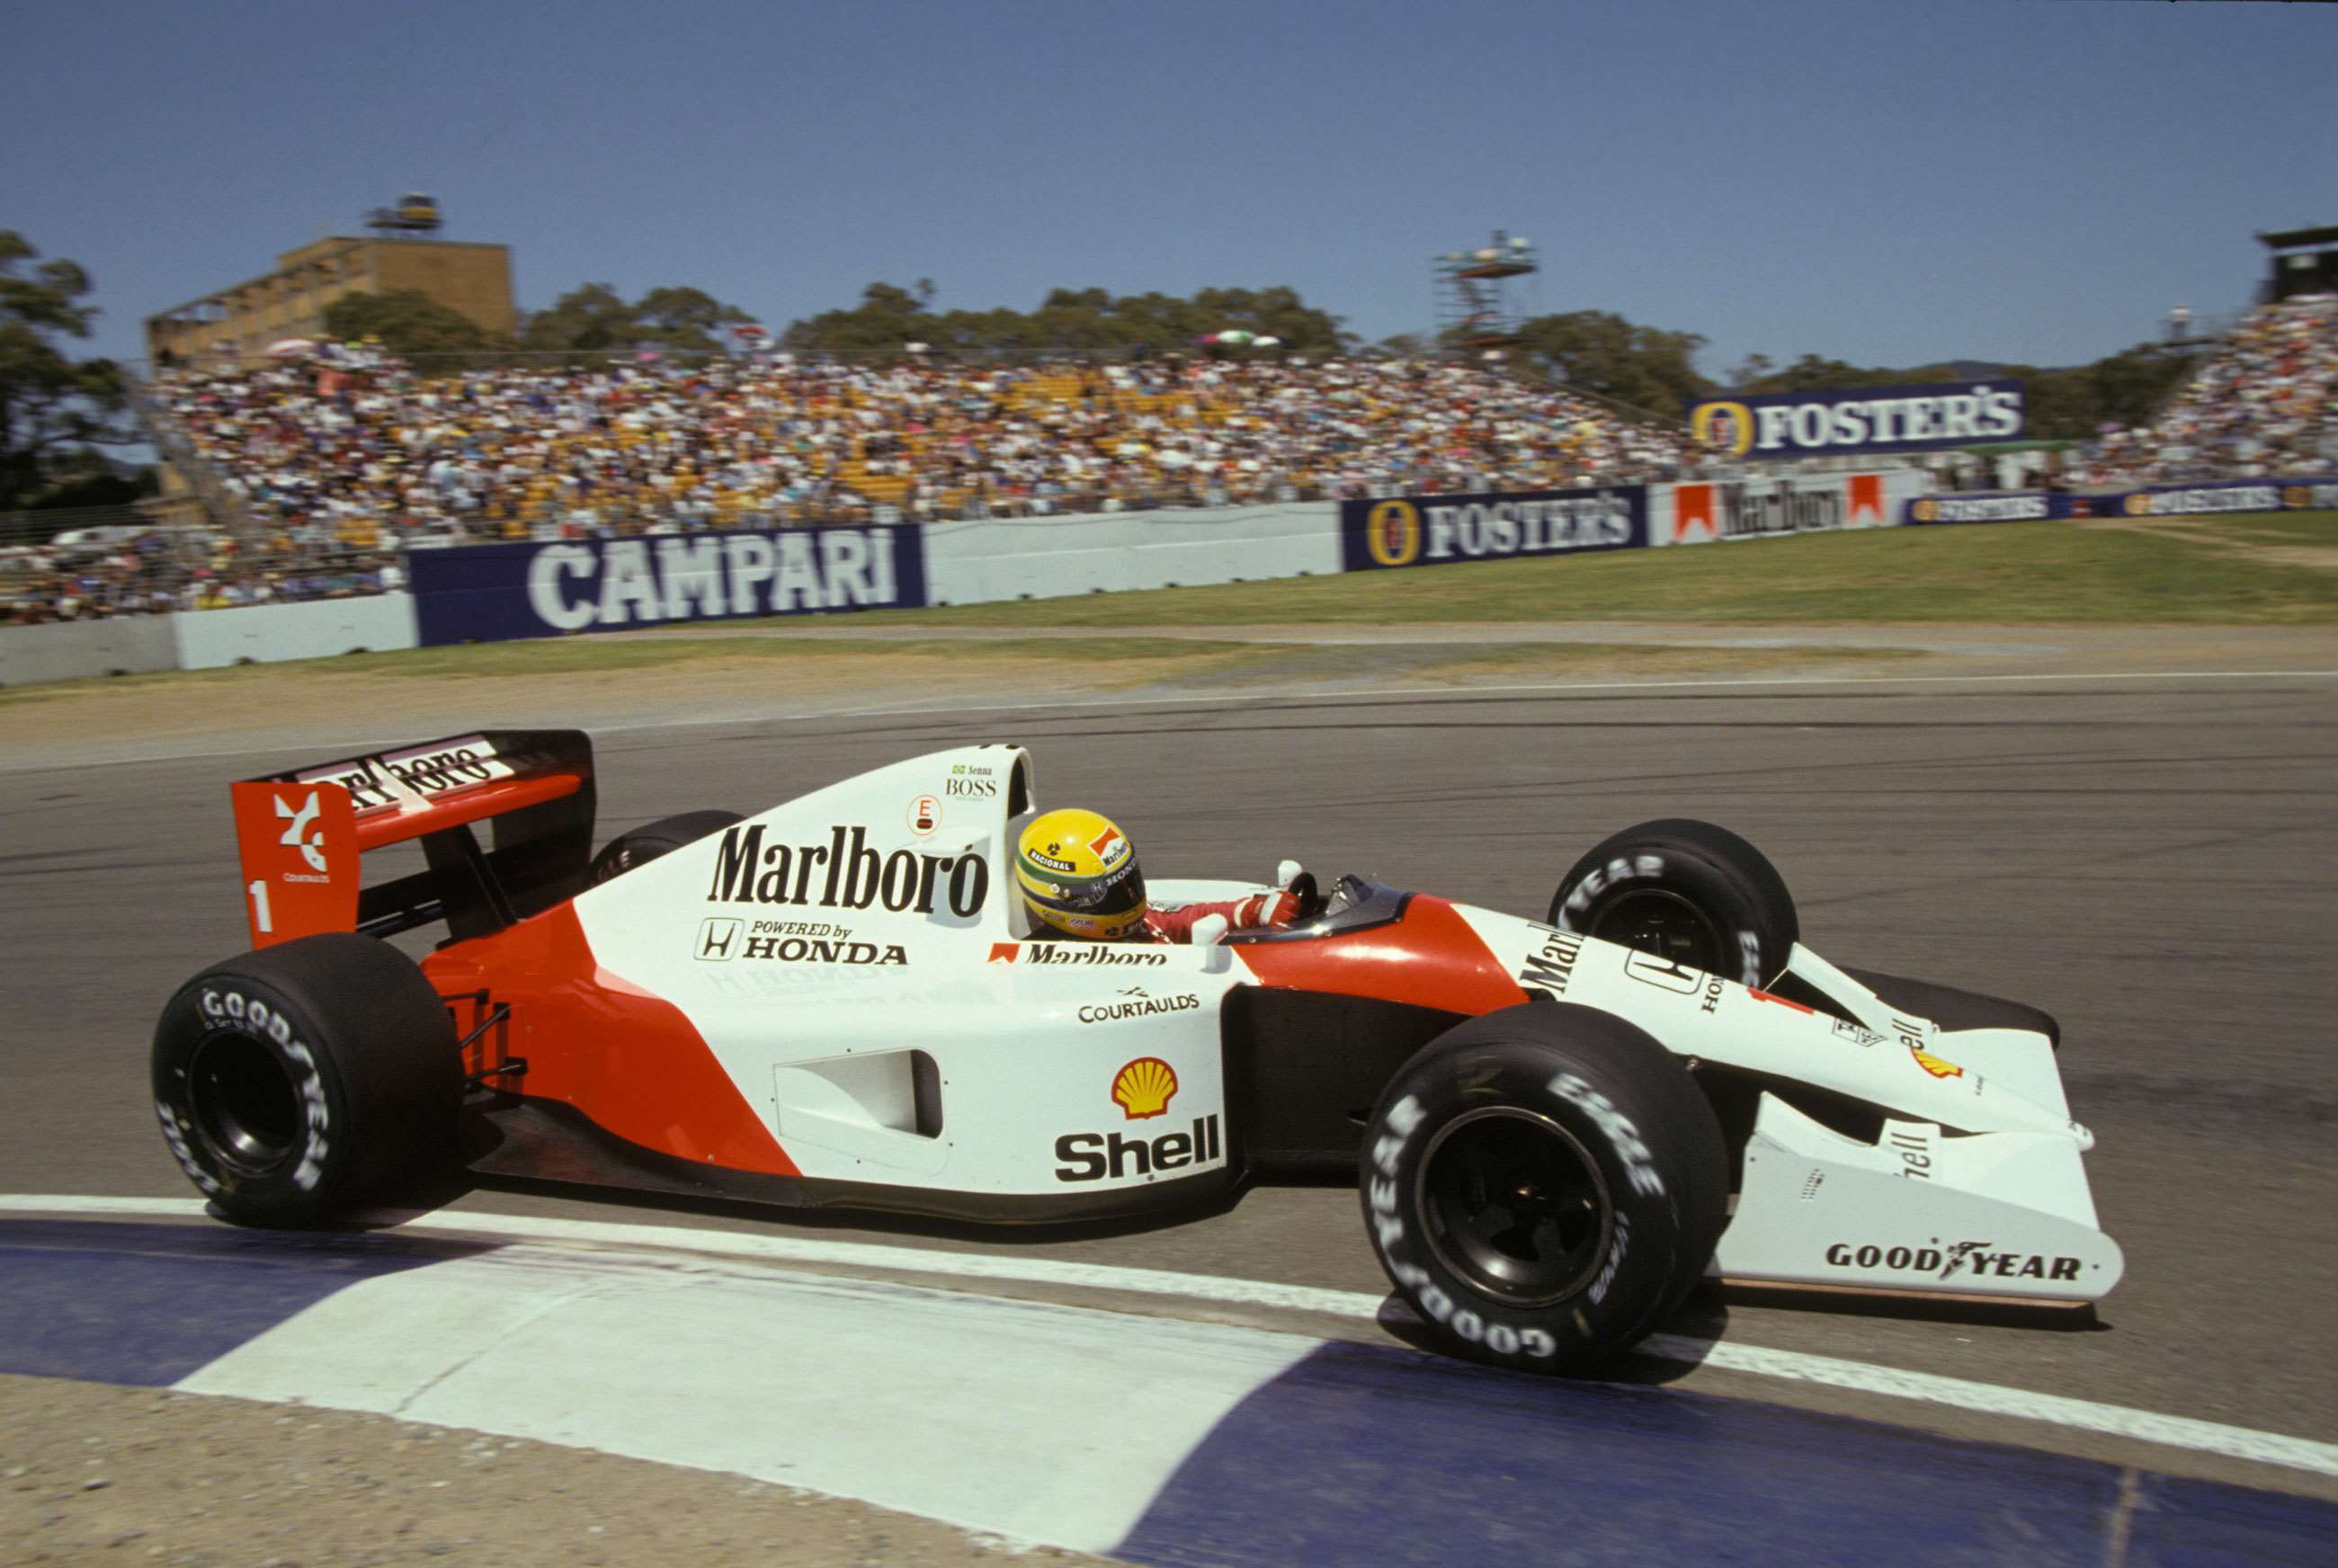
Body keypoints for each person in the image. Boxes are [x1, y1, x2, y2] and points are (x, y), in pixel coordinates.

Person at [1014, 808, 1298, 943]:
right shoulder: (1056, 966)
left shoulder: (1137, 924)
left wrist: (1252, 911)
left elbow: (1180, 919)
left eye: (1127, 880)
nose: (1127, 896)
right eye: (1105, 892)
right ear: (1062, 898)